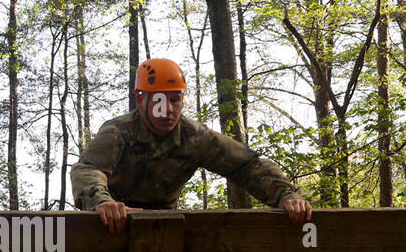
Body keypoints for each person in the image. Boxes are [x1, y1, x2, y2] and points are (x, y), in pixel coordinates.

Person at [71, 58, 312, 233]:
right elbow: (88, 169)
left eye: (175, 100)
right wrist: (102, 202)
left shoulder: (194, 137)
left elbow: (247, 166)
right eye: (159, 100)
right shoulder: (118, 131)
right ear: (140, 98)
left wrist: (286, 195)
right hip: (111, 225)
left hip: (164, 229)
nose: (169, 109)